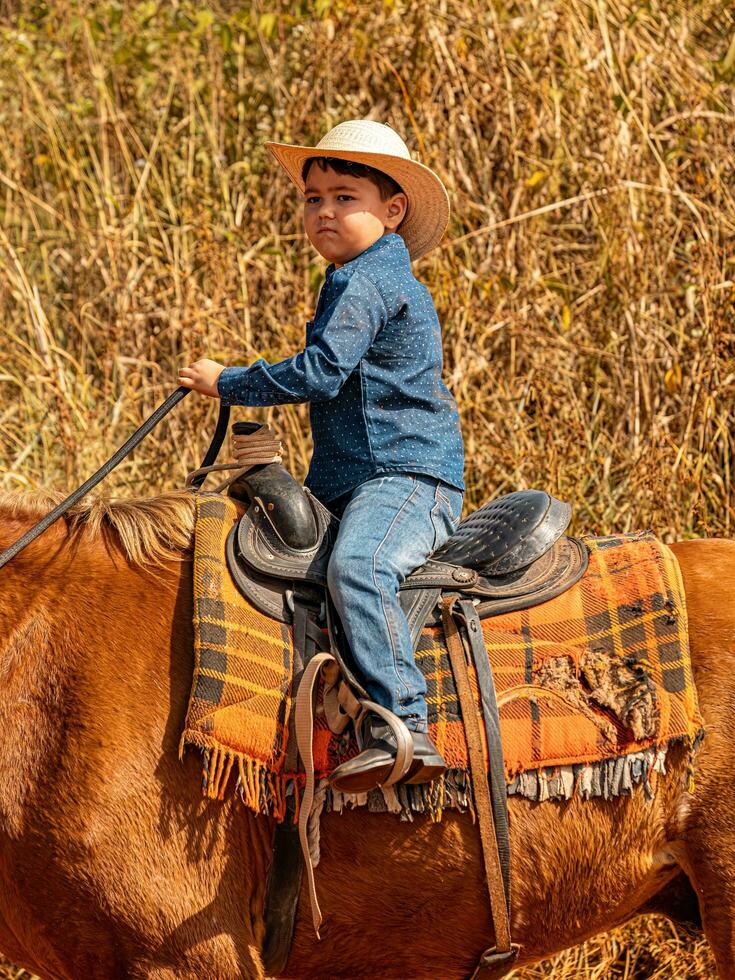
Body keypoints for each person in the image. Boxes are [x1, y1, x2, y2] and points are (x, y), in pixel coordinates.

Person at [179, 119, 465, 794]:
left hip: (405, 477)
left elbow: (320, 372)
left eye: (345, 196)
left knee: (359, 567)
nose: (325, 210)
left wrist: (229, 381)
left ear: (391, 211)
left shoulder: (365, 283)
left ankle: (402, 722)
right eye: (313, 198)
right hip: (354, 479)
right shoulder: (356, 278)